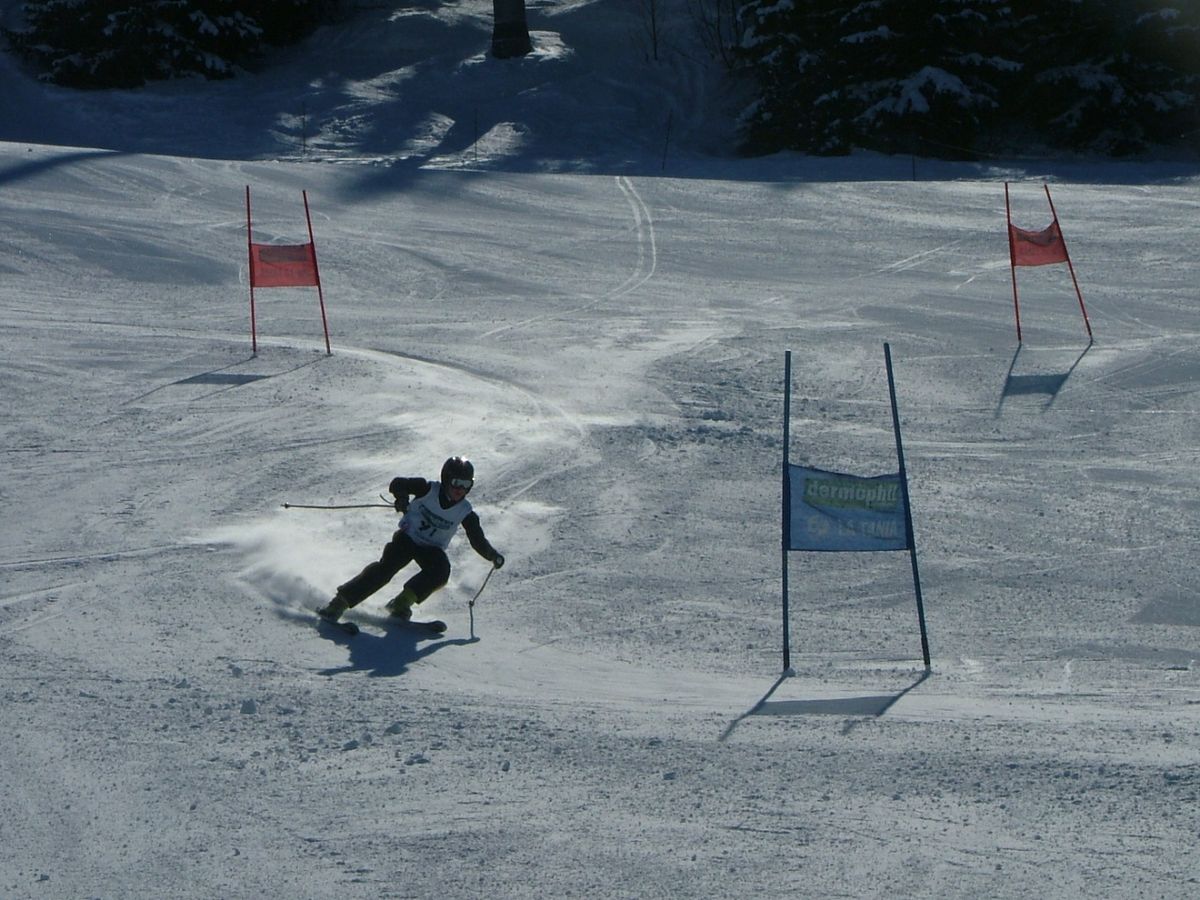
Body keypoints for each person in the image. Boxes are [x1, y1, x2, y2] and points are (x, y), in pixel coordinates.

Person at [317, 456, 504, 626]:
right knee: (386, 569)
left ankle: (401, 603)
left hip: (431, 549)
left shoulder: (465, 511)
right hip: (407, 539)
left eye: (466, 485)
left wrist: (492, 555)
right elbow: (398, 483)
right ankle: (339, 603)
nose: (460, 489)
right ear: (446, 479)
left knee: (441, 571)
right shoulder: (427, 489)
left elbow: (477, 539)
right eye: (456, 483)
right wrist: (402, 498)